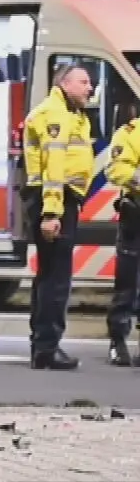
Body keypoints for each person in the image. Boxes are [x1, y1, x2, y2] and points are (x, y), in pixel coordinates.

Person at [22, 62, 96, 369]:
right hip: (55, 199)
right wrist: (52, 212)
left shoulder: (68, 113)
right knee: (56, 278)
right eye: (84, 82)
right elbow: (54, 166)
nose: (90, 88)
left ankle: (42, 345)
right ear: (65, 84)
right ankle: (47, 347)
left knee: (49, 274)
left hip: (58, 199)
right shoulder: (55, 114)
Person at [105, 96, 140, 365]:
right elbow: (116, 169)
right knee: (127, 284)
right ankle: (118, 341)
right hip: (136, 217)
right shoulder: (130, 133)